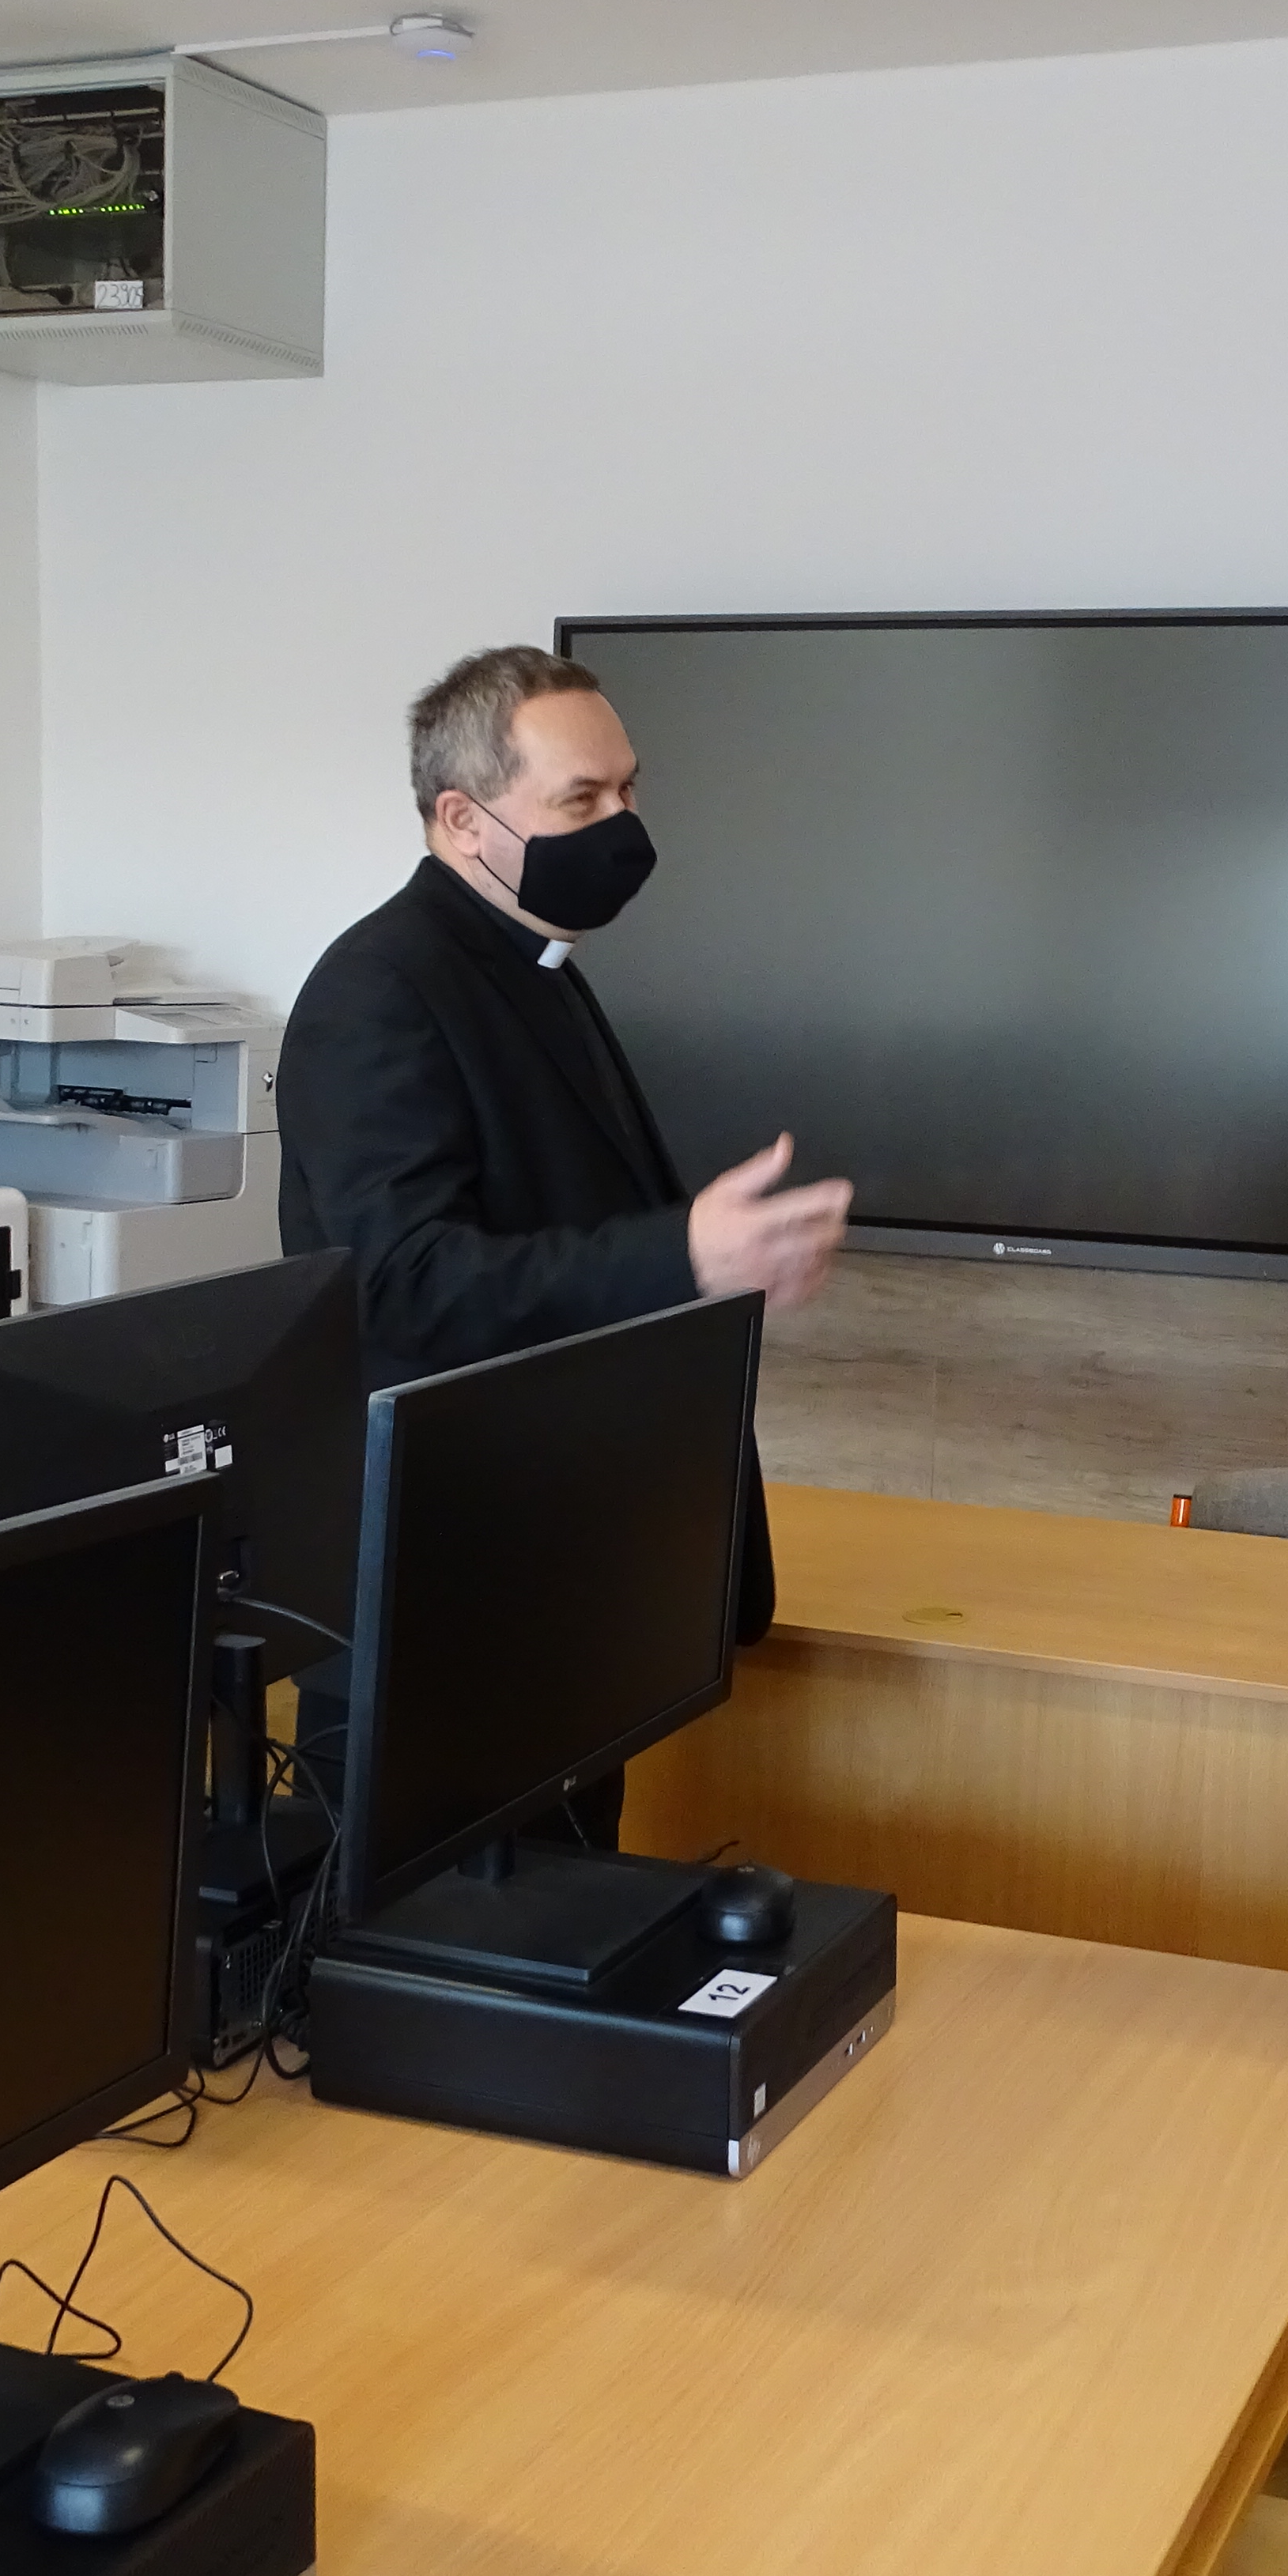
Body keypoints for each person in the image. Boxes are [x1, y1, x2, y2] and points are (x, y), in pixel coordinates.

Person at [274, 645, 854, 1828]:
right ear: (462, 820)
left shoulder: (532, 961)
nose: (623, 828)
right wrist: (682, 1255)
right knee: (438, 1936)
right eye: (581, 800)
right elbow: (401, 1281)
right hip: (448, 1595)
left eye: (628, 790)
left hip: (557, 1578)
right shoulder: (379, 989)